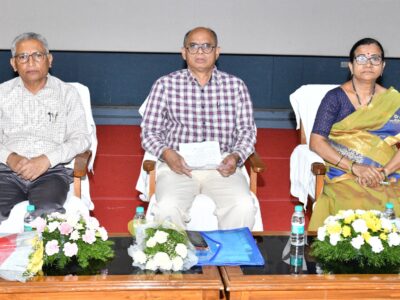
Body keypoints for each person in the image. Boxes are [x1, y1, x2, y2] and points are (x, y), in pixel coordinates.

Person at [141, 27, 257, 229]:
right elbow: (149, 132)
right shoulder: (165, 85)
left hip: (222, 166)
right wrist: (168, 154)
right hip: (178, 165)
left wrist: (236, 156)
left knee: (243, 205)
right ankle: (176, 259)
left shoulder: (236, 86)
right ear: (184, 52)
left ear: (217, 51)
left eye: (207, 46)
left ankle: (229, 259)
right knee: (168, 207)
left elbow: (247, 131)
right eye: (193, 46)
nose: (200, 52)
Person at [308, 38, 400, 230]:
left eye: (375, 58)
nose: (368, 63)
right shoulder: (335, 98)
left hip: (387, 172)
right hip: (345, 173)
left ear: (382, 66)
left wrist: (383, 172)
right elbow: (316, 142)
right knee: (354, 206)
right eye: (361, 58)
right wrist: (355, 167)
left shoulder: (395, 101)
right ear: (351, 66)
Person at [0, 32, 91, 222]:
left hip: (51, 172)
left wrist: (47, 159)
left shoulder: (67, 93)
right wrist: (10, 157)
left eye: (37, 55)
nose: (30, 62)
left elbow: (81, 138)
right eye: (23, 57)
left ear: (49, 60)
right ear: (13, 64)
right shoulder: (2, 94)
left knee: (48, 216)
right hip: (6, 172)